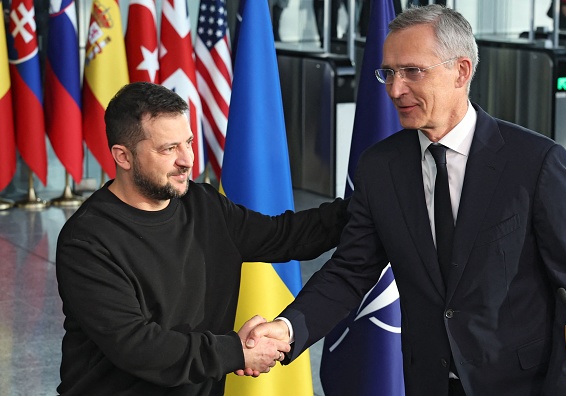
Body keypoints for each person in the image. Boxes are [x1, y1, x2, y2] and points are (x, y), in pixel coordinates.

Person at [244, 5, 566, 395]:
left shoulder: (535, 163)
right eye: (389, 73)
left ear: (461, 70)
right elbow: (350, 270)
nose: (395, 89)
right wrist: (287, 328)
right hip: (428, 381)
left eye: (412, 71)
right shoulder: (380, 167)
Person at [55, 82, 349, 395]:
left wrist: (369, 205)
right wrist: (236, 350)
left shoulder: (203, 204)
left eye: (189, 143)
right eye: (169, 149)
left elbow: (287, 236)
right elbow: (136, 346)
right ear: (123, 157)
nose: (187, 159)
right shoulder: (87, 240)